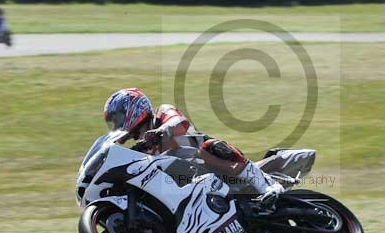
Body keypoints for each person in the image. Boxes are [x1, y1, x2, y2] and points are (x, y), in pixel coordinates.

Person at [103, 87, 285, 205]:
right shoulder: (142, 149)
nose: (116, 124)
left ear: (133, 109)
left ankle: (268, 186)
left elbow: (178, 122)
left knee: (209, 146)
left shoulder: (162, 114)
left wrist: (161, 131)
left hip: (217, 165)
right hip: (196, 187)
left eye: (117, 118)